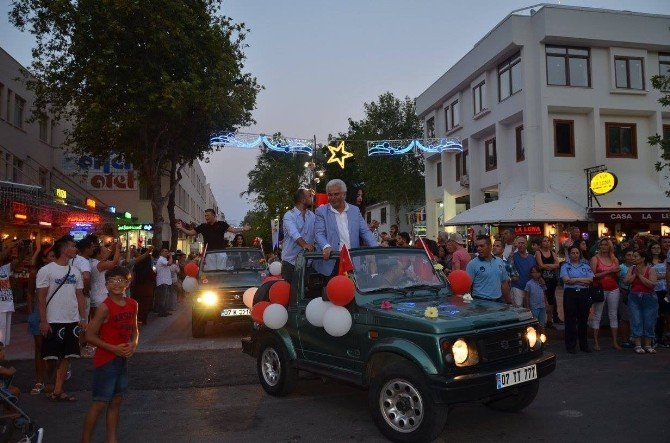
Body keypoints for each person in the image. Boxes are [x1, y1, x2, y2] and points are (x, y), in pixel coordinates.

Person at [81, 266, 138, 443]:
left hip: (121, 360)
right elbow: (89, 336)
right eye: (112, 281)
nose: (116, 284)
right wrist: (112, 348)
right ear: (106, 285)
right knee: (99, 403)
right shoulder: (104, 308)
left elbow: (135, 330)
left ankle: (111, 439)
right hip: (105, 362)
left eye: (121, 281)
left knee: (116, 402)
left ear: (127, 284)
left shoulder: (132, 304)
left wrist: (133, 345)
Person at [36, 235, 87, 401]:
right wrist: (44, 321)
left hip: (71, 319)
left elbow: (80, 295)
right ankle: (48, 383)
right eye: (72, 246)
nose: (75, 249)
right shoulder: (46, 271)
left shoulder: (75, 271)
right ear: (64, 249)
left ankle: (58, 390)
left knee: (68, 356)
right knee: (51, 357)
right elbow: (41, 298)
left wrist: (83, 317)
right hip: (53, 320)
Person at [314, 179, 378, 277]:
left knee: (354, 291)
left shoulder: (355, 210)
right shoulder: (321, 211)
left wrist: (376, 248)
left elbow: (365, 232)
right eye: (330, 195)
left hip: (352, 261)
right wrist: (325, 246)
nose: (332, 198)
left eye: (336, 194)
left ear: (344, 194)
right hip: (332, 262)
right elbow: (319, 233)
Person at [175, 209, 251, 268]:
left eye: (208, 215)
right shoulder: (203, 226)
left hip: (221, 252)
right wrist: (181, 228)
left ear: (214, 215)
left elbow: (233, 230)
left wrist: (243, 229)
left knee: (221, 272)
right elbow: (191, 233)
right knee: (210, 273)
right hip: (209, 253)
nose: (206, 217)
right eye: (205, 216)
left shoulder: (222, 224)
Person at [560, 245, 594, 354]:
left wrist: (575, 279)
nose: (575, 255)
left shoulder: (586, 266)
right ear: (569, 254)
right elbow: (566, 280)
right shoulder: (565, 266)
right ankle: (571, 346)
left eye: (577, 253)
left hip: (583, 293)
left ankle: (584, 345)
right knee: (570, 320)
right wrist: (582, 280)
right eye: (573, 253)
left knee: (583, 320)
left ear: (580, 254)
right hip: (570, 294)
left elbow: (590, 280)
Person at [623, 250, 658, 354]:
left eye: (636, 256)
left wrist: (640, 276)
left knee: (649, 321)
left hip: (649, 297)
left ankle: (648, 345)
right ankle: (638, 345)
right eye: (632, 256)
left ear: (643, 258)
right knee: (636, 320)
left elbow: (652, 284)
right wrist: (635, 275)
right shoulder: (632, 268)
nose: (633, 258)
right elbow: (626, 281)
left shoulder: (651, 269)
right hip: (634, 297)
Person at [589, 238, 621, 350]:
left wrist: (617, 273)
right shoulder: (595, 258)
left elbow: (617, 276)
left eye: (606, 245)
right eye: (602, 245)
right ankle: (596, 343)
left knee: (613, 314)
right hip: (600, 289)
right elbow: (592, 275)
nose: (604, 247)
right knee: (598, 315)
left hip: (613, 288)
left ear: (610, 246)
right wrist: (609, 272)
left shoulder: (614, 259)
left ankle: (614, 342)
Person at [281, 188, 316, 283]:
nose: (312, 198)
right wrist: (305, 245)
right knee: (290, 294)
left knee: (308, 294)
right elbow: (294, 234)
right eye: (309, 196)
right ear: (303, 200)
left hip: (307, 263)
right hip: (290, 263)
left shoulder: (312, 215)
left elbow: (318, 233)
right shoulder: (289, 215)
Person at [466, 235, 511, 303]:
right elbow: (467, 287)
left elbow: (504, 283)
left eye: (481, 246)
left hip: (498, 301)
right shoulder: (472, 264)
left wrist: (509, 302)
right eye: (477, 246)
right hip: (480, 302)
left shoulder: (499, 261)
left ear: (490, 246)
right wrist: (469, 306)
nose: (478, 249)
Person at [0, 240, 27, 346]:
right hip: (1, 307)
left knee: (4, 340)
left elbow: (18, 261)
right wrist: (10, 246)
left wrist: (24, 249)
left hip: (7, 305)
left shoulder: (4, 269)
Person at [535, 236, 562, 327]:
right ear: (541, 243)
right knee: (542, 299)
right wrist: (551, 265)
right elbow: (541, 265)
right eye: (544, 241)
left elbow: (557, 264)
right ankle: (541, 320)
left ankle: (550, 320)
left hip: (552, 280)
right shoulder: (538, 253)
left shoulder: (553, 253)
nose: (546, 242)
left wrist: (547, 265)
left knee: (551, 300)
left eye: (548, 241)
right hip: (543, 279)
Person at [648, 242, 668, 347]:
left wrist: (659, 276)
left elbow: (668, 274)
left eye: (658, 247)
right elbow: (647, 275)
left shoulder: (665, 260)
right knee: (654, 314)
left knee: (662, 314)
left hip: (664, 289)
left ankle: (660, 337)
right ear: (650, 249)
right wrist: (662, 276)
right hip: (653, 290)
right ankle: (653, 337)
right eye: (654, 248)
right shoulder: (648, 262)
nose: (656, 249)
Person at [130, 247, 155, 325]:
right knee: (145, 305)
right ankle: (143, 320)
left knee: (138, 304)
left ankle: (137, 319)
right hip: (147, 289)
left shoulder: (136, 266)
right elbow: (153, 277)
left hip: (137, 288)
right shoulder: (149, 269)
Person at [510, 237, 537, 308]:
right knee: (518, 309)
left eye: (522, 243)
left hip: (529, 288)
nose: (520, 245)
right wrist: (513, 250)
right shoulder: (514, 256)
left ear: (526, 244)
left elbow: (535, 271)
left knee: (530, 308)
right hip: (517, 287)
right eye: (519, 243)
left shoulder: (531, 257)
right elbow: (509, 265)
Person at [618, 249, 635, 348]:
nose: (631, 257)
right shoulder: (621, 267)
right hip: (625, 293)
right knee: (625, 317)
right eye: (628, 255)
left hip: (637, 294)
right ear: (624, 257)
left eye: (633, 255)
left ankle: (633, 338)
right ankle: (625, 339)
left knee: (635, 317)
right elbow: (617, 281)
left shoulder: (638, 267)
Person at [155, 248, 173, 317]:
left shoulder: (164, 259)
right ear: (161, 253)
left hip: (166, 281)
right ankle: (161, 312)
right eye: (165, 251)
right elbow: (170, 263)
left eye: (167, 251)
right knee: (163, 298)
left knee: (166, 297)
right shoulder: (161, 259)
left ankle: (164, 311)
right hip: (163, 282)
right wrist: (171, 256)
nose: (167, 253)